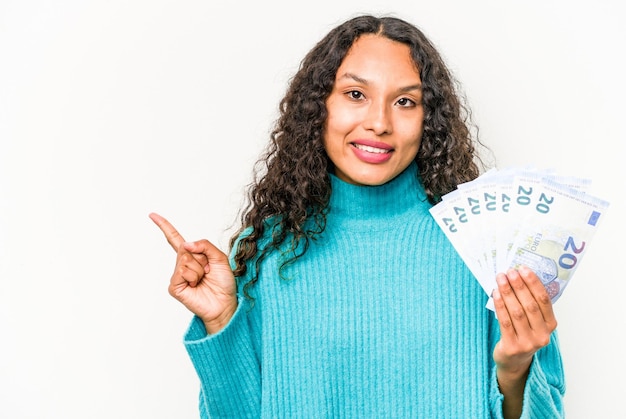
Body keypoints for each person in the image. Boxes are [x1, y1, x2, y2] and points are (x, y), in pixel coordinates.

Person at [150, 14, 565, 418]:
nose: (379, 122)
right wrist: (222, 321)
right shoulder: (266, 250)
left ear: (428, 119)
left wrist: (516, 371)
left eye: (405, 102)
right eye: (355, 95)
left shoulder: (487, 244)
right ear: (318, 107)